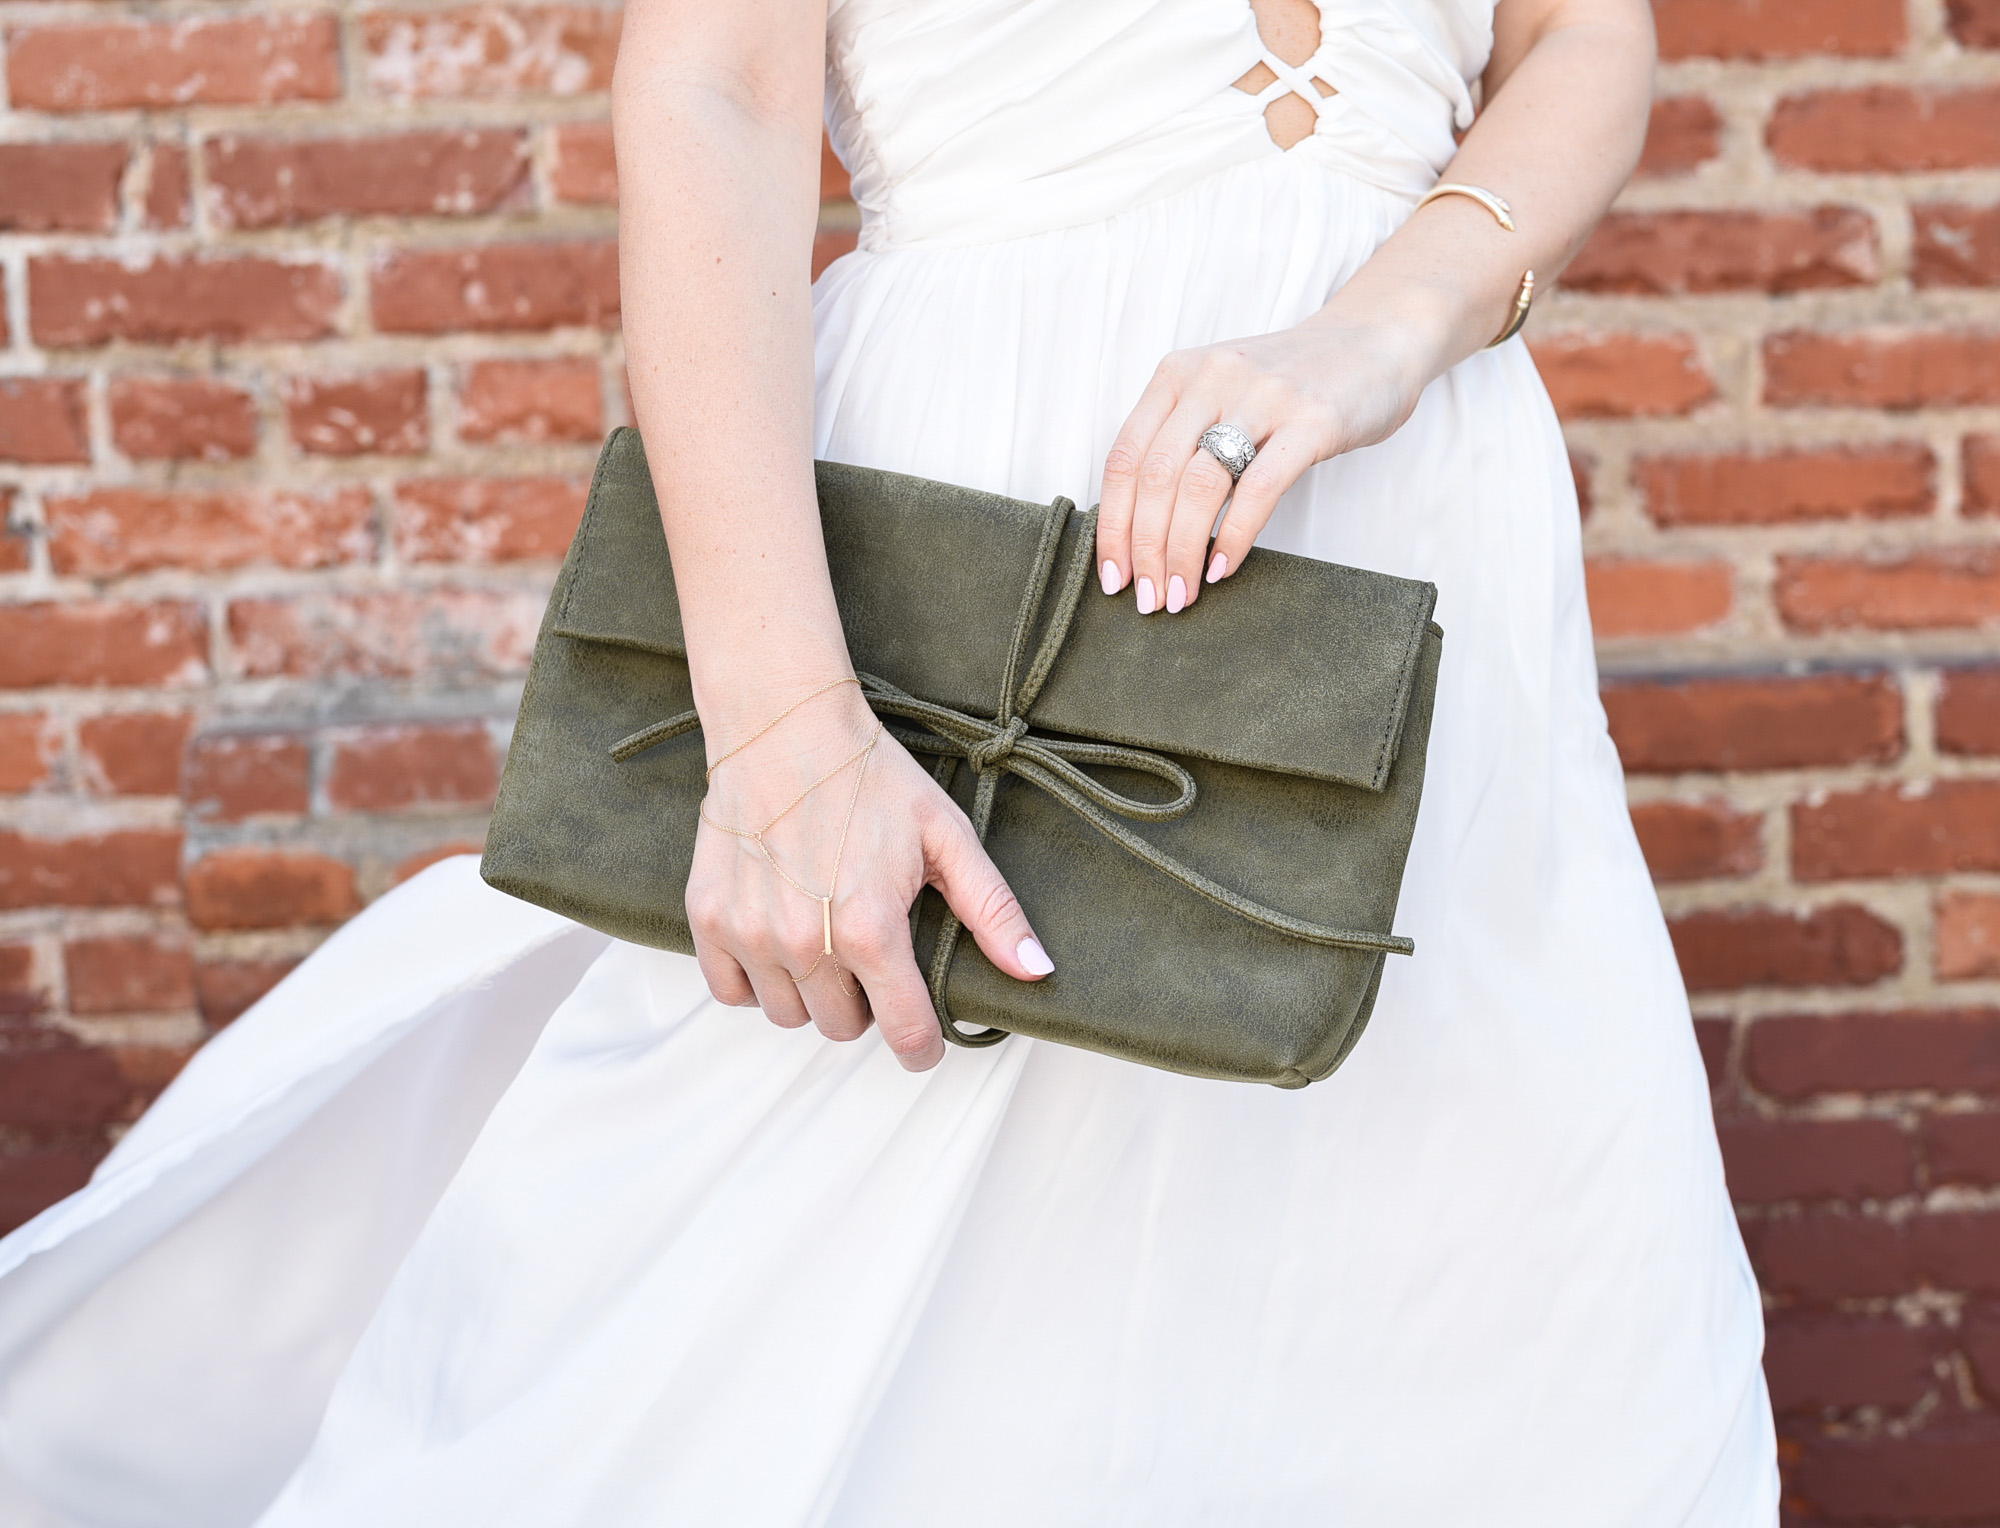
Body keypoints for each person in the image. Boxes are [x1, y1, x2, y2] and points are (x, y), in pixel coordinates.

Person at [0, 0, 1778, 1522]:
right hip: (965, 572)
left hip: (1422, 571)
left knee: (1494, 1298)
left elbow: (1575, 37)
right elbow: (716, 100)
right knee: (732, 1324)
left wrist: (1385, 326)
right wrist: (783, 735)